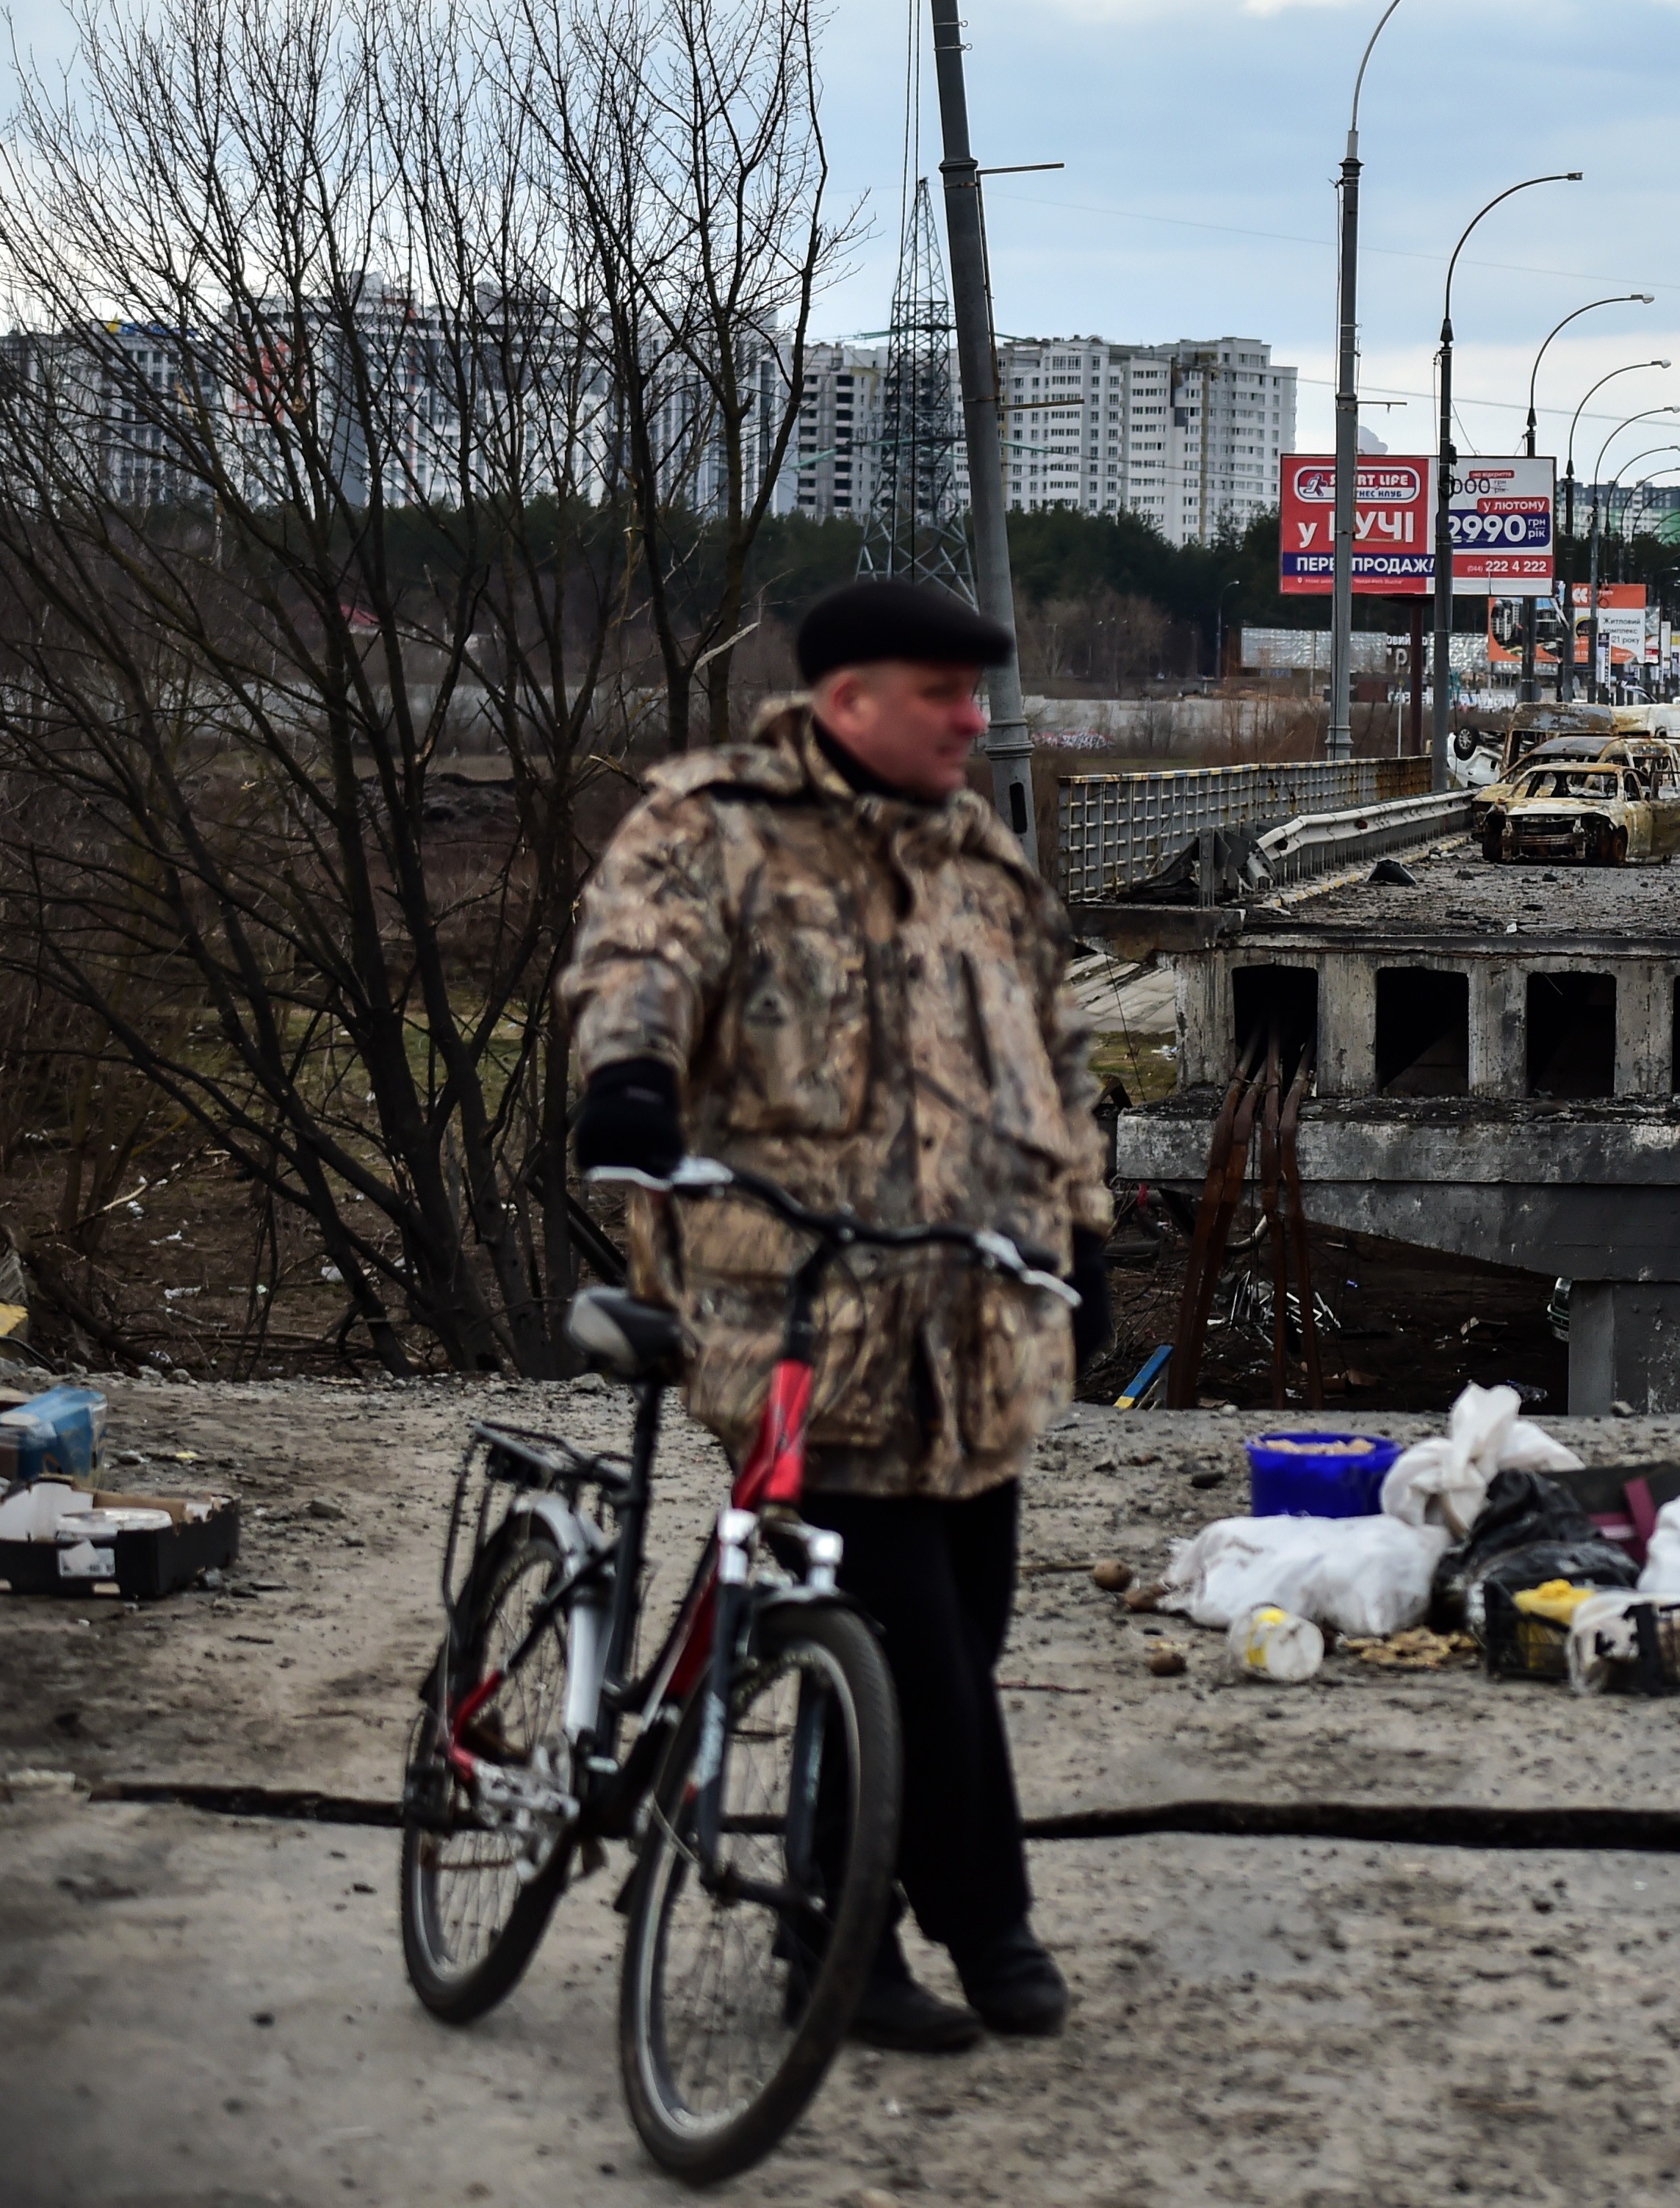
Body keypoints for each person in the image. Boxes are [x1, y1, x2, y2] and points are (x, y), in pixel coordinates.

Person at [558, 579, 1112, 2052]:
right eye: (943, 694)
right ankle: (968, 1926)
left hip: (969, 1324)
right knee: (907, 1633)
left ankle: (851, 1927)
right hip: (790, 1315)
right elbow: (636, 963)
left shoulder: (984, 864)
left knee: (956, 1637)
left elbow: (1056, 1063)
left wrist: (1086, 1231)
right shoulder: (715, 825)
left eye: (976, 693)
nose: (973, 720)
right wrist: (630, 1083)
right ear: (849, 699)